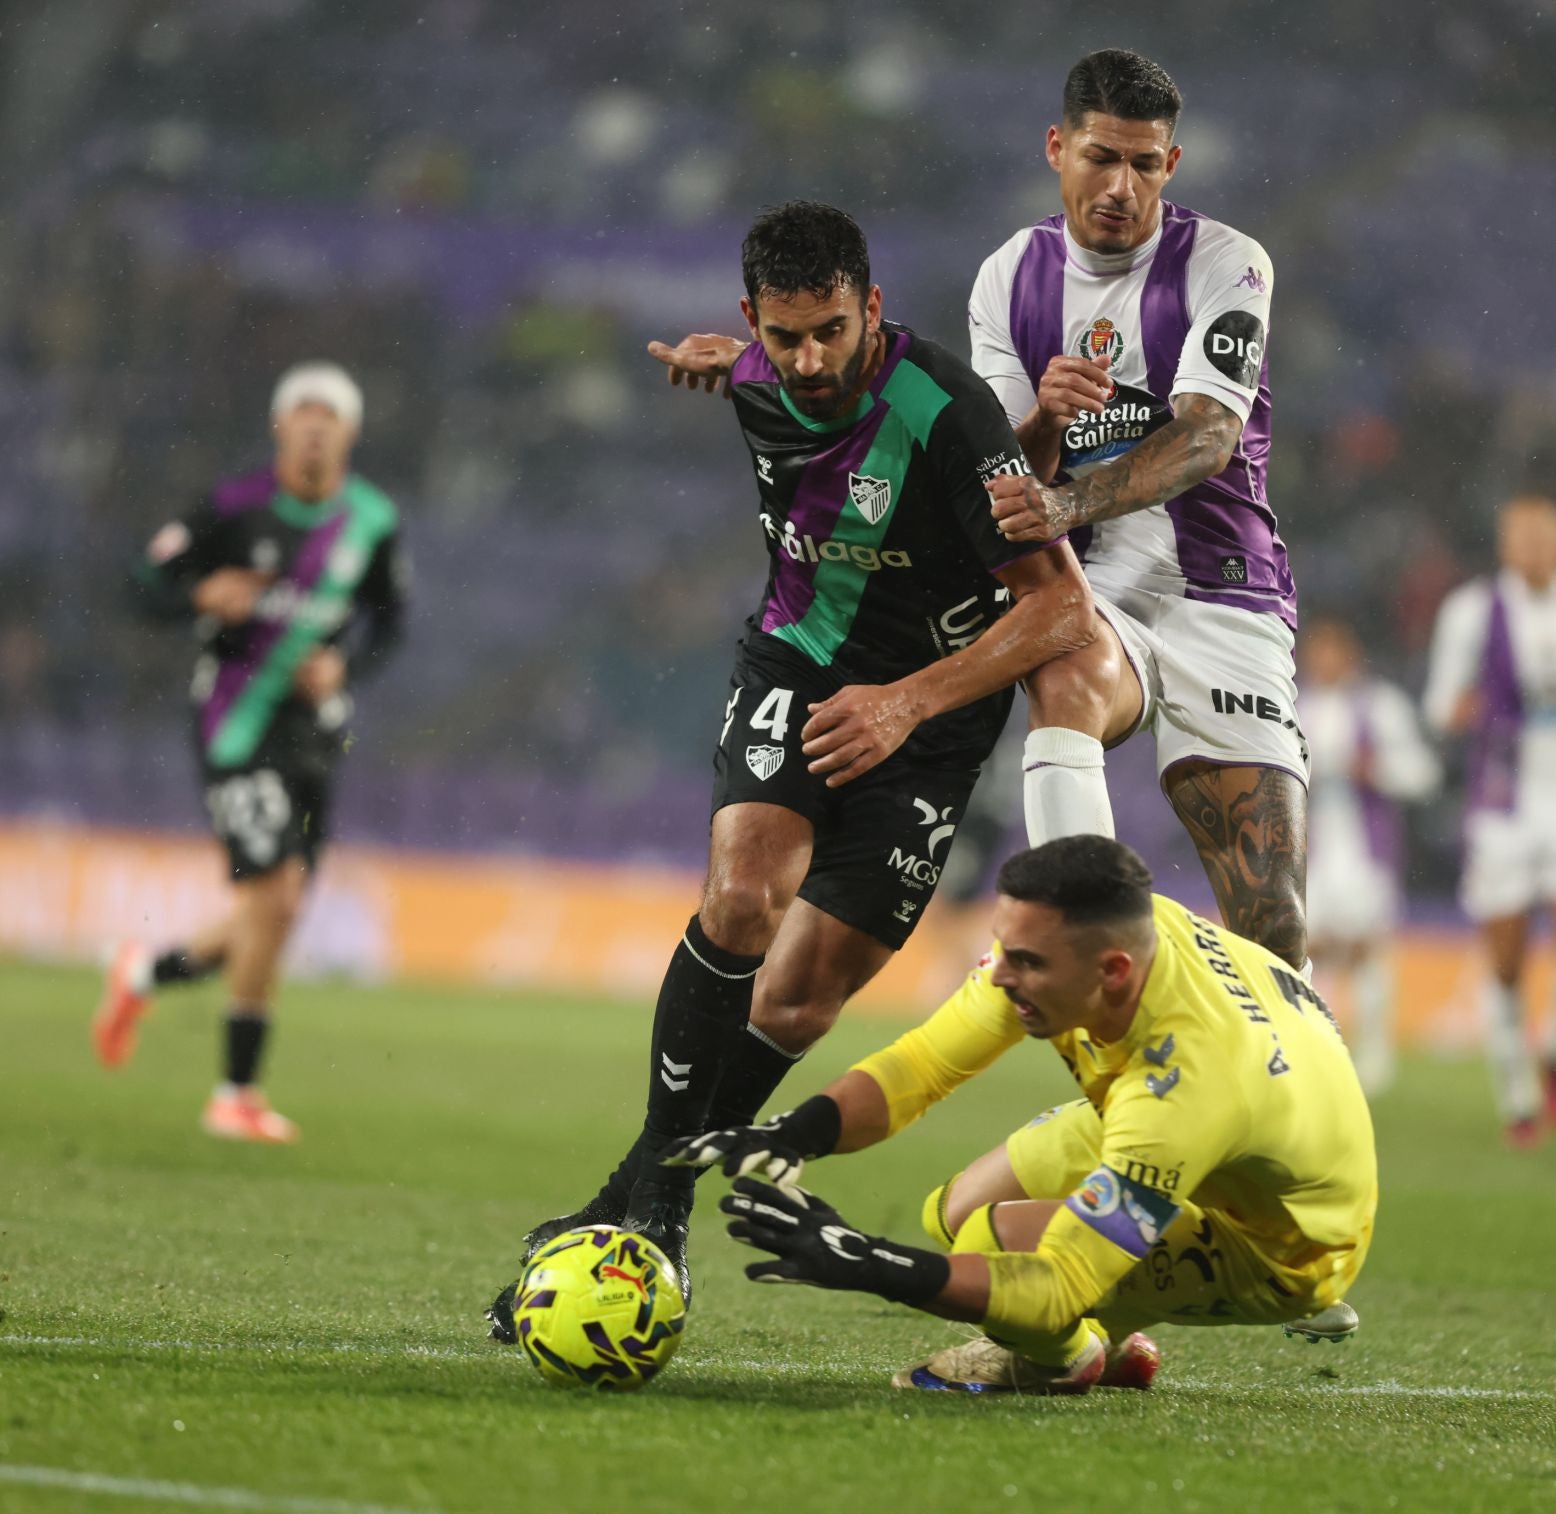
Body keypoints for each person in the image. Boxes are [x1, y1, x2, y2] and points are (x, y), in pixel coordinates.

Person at [484, 201, 1097, 1337]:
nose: (809, 361)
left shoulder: (948, 409)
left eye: (831, 332)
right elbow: (745, 368)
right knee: (743, 898)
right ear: (751, 320)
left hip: (932, 715)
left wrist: (906, 702)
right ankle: (661, 1209)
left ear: (873, 308)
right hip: (800, 662)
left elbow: (1062, 608)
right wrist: (725, 364)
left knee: (804, 997)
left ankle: (624, 1195)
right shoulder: (757, 372)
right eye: (785, 336)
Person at [669, 835, 1377, 1394]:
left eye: (1027, 962)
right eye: (1003, 946)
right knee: (956, 1211)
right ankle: (1108, 1341)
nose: (1001, 975)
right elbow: (925, 1064)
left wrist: (870, 1262)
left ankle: (1062, 1360)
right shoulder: (1106, 938)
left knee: (998, 1247)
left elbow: (1059, 1283)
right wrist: (802, 1130)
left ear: (1113, 974)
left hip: (1283, 1239)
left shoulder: (1185, 1088)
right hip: (1222, 1133)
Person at [970, 49, 1310, 969]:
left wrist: (1066, 500)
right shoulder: (1009, 275)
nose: (1122, 186)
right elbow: (1008, 479)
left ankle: (1280, 1061)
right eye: (1101, 157)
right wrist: (1047, 418)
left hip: (1226, 590)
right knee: (1065, 667)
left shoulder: (1227, 263)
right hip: (1097, 590)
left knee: (1273, 923)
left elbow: (1206, 439)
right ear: (1057, 147)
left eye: (1144, 164)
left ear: (1172, 163)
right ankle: (1085, 950)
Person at [94, 363, 408, 1143]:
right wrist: (196, 595)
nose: (315, 427)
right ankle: (234, 1093)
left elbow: (391, 622)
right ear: (279, 427)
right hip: (236, 724)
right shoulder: (232, 508)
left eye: (329, 417)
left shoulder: (371, 520)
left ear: (349, 433)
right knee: (273, 896)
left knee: (276, 908)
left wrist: (343, 666)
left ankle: (143, 972)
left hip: (315, 732)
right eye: (302, 414)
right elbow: (142, 585)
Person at [1422, 495, 1556, 1145]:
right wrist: (1466, 710)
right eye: (1522, 537)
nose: (1534, 548)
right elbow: (1438, 705)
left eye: (1545, 536)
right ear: (1504, 545)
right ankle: (1518, 1100)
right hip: (1504, 808)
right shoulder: (1470, 610)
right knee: (1508, 965)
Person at [1295, 617, 1439, 1093]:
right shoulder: (1295, 706)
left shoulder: (1381, 706)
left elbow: (1423, 774)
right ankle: (1317, 1047)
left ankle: (1376, 1054)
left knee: (1367, 948)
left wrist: (1376, 769)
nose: (1324, 662)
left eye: (1332, 651)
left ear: (1350, 655)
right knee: (1307, 948)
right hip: (1311, 851)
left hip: (1366, 850)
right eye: (1317, 652)